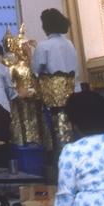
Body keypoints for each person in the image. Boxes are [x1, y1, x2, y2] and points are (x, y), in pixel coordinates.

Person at [28, 8, 80, 151]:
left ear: (45, 27)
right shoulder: (68, 44)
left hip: (54, 99)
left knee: (57, 135)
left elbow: (35, 69)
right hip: (73, 93)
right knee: (71, 132)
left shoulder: (44, 46)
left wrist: (29, 54)